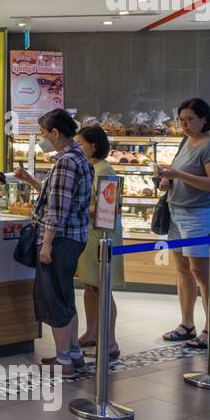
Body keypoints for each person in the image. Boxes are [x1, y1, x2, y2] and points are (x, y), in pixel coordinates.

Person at [13, 108, 93, 380]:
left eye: (44, 134)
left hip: (59, 239)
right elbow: (58, 196)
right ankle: (73, 354)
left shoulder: (66, 162)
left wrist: (46, 244)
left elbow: (57, 209)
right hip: (74, 237)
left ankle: (63, 362)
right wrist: (31, 181)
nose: (43, 138)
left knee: (55, 298)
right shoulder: (78, 158)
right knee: (65, 294)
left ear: (55, 133)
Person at [158, 98, 210, 348]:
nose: (185, 125)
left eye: (190, 120)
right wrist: (168, 181)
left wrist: (178, 175)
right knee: (183, 270)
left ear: (204, 119)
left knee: (202, 274)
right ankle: (187, 324)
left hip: (198, 216)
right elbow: (183, 177)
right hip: (176, 213)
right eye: (182, 120)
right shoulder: (186, 141)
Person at [73, 124, 125, 359]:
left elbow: (108, 207)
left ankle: (110, 341)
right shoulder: (91, 167)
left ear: (93, 145)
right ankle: (92, 333)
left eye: (81, 143)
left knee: (101, 288)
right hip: (89, 234)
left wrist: (78, 206)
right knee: (90, 286)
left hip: (101, 237)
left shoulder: (105, 170)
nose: (78, 147)